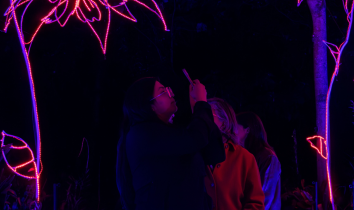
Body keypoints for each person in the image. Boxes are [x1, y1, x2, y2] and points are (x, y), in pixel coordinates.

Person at [116, 77, 225, 210]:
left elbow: (215, 154)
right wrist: (201, 103)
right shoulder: (141, 135)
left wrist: (197, 108)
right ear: (150, 106)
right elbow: (196, 138)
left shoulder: (173, 133)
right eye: (163, 92)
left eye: (168, 90)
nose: (171, 94)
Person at [201, 97, 265, 210]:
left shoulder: (245, 158)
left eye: (208, 115)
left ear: (224, 123)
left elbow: (255, 203)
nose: (201, 120)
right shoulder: (194, 155)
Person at [236, 112, 281, 210]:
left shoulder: (268, 157)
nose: (232, 131)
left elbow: (265, 195)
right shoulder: (243, 156)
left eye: (235, 127)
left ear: (247, 130)